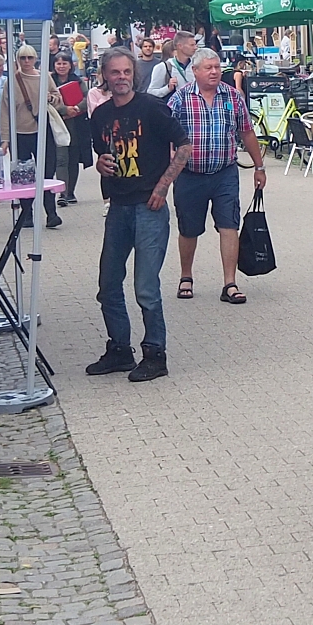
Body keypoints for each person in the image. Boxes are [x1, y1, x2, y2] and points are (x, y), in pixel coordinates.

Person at [87, 48, 192, 382]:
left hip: (149, 207)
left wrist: (162, 187)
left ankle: (154, 354)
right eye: (114, 73)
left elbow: (184, 146)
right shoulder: (100, 115)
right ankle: (119, 349)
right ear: (105, 75)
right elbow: (101, 155)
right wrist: (99, 165)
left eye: (126, 72)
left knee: (145, 286)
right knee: (108, 284)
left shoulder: (152, 107)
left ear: (134, 74)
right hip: (118, 207)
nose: (121, 78)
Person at [167, 49, 267, 305]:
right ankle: (186, 276)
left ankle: (230, 283)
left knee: (229, 225)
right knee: (189, 229)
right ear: (196, 71)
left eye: (217, 67)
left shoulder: (233, 96)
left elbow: (247, 132)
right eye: (208, 68)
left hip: (225, 173)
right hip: (190, 175)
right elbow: (165, 134)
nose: (214, 72)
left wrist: (259, 167)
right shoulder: (180, 99)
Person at [0, 44, 64, 228]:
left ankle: (51, 214)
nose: (27, 61)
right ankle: (27, 215)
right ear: (17, 60)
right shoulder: (11, 81)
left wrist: (51, 98)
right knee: (23, 177)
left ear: (35, 59)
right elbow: (5, 112)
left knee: (46, 173)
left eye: (30, 58)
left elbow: (57, 97)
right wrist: (6, 139)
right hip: (20, 134)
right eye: (23, 58)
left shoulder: (44, 77)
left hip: (43, 132)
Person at [51, 52, 93, 206]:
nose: (61, 66)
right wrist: (64, 110)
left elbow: (86, 98)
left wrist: (74, 108)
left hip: (76, 125)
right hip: (57, 124)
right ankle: (62, 193)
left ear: (71, 65)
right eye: (58, 63)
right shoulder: (49, 81)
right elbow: (47, 99)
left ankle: (70, 192)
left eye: (64, 63)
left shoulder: (78, 81)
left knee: (73, 160)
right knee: (61, 159)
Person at [148, 31, 197, 100]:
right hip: (172, 109)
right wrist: (168, 88)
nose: (195, 48)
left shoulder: (197, 65)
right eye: (192, 45)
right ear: (180, 46)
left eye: (195, 45)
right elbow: (151, 92)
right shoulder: (164, 67)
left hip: (193, 108)